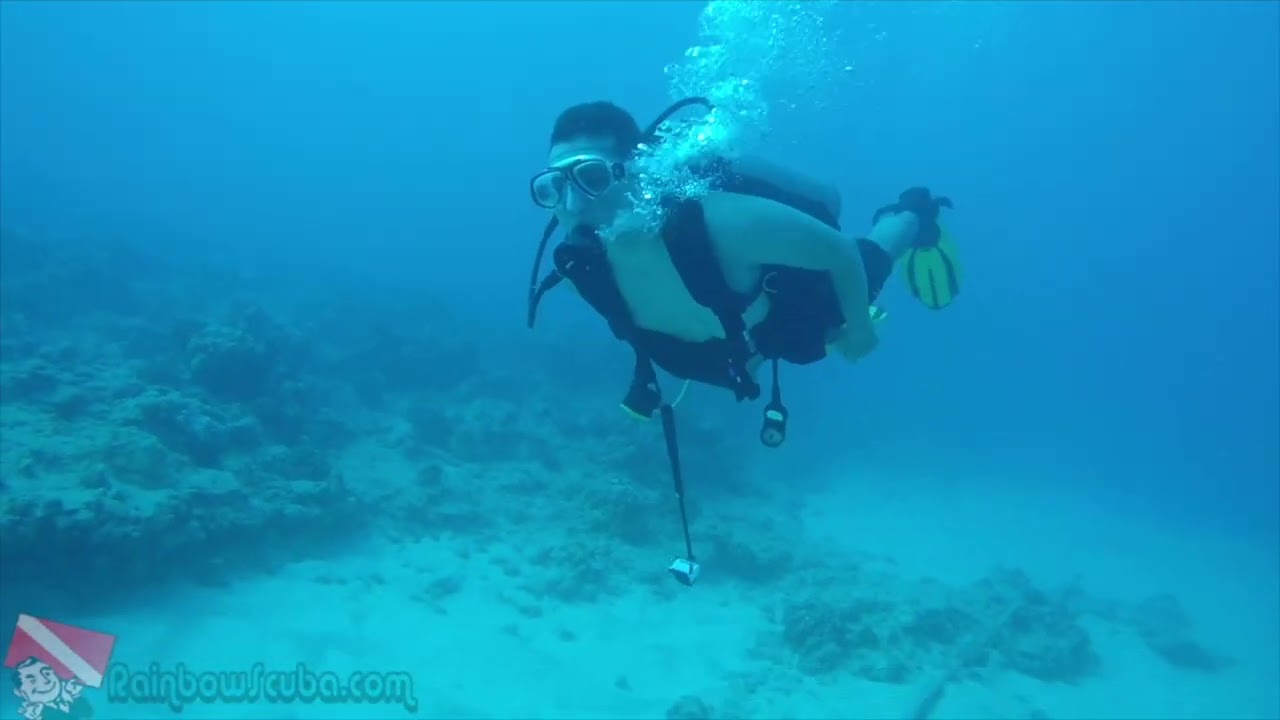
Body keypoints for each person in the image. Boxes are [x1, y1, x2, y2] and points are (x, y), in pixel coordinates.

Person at [526, 100, 960, 434]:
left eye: (593, 178)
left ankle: (910, 215)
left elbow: (840, 252)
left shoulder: (721, 224)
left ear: (635, 172)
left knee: (869, 261)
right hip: (723, 351)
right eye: (554, 187)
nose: (573, 204)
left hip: (787, 314)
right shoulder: (578, 273)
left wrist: (861, 330)